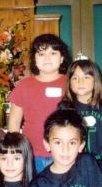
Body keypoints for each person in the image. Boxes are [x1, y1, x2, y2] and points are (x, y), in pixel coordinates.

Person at [8, 34, 69, 173]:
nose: (47, 58)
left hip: (64, 154)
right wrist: (18, 154)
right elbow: (13, 124)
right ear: (34, 59)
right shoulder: (23, 86)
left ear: (62, 58)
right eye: (41, 54)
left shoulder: (71, 83)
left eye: (53, 53)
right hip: (32, 155)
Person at [58, 57, 102, 187]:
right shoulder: (64, 108)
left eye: (86, 77)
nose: (80, 82)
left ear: (95, 81)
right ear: (69, 82)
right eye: (75, 78)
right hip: (73, 170)